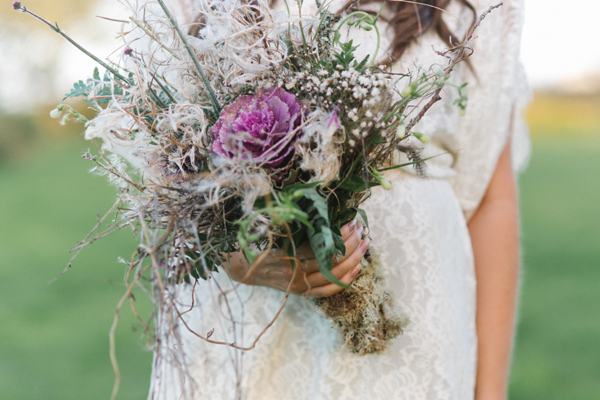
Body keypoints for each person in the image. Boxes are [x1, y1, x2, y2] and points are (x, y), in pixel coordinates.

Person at [148, 0, 530, 399]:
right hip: (245, 322)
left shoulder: (487, 10)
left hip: (415, 320)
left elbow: (489, 196)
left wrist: (490, 391)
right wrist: (235, 257)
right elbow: (167, 168)